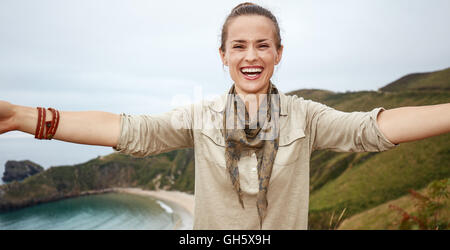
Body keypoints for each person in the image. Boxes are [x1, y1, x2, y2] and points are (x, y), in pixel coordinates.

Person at [0, 2, 449, 230]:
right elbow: (126, 130)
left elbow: (376, 128)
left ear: (277, 54)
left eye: (262, 45)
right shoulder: (201, 116)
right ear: (223, 55)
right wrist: (25, 117)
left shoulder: (306, 117)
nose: (250, 56)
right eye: (239, 45)